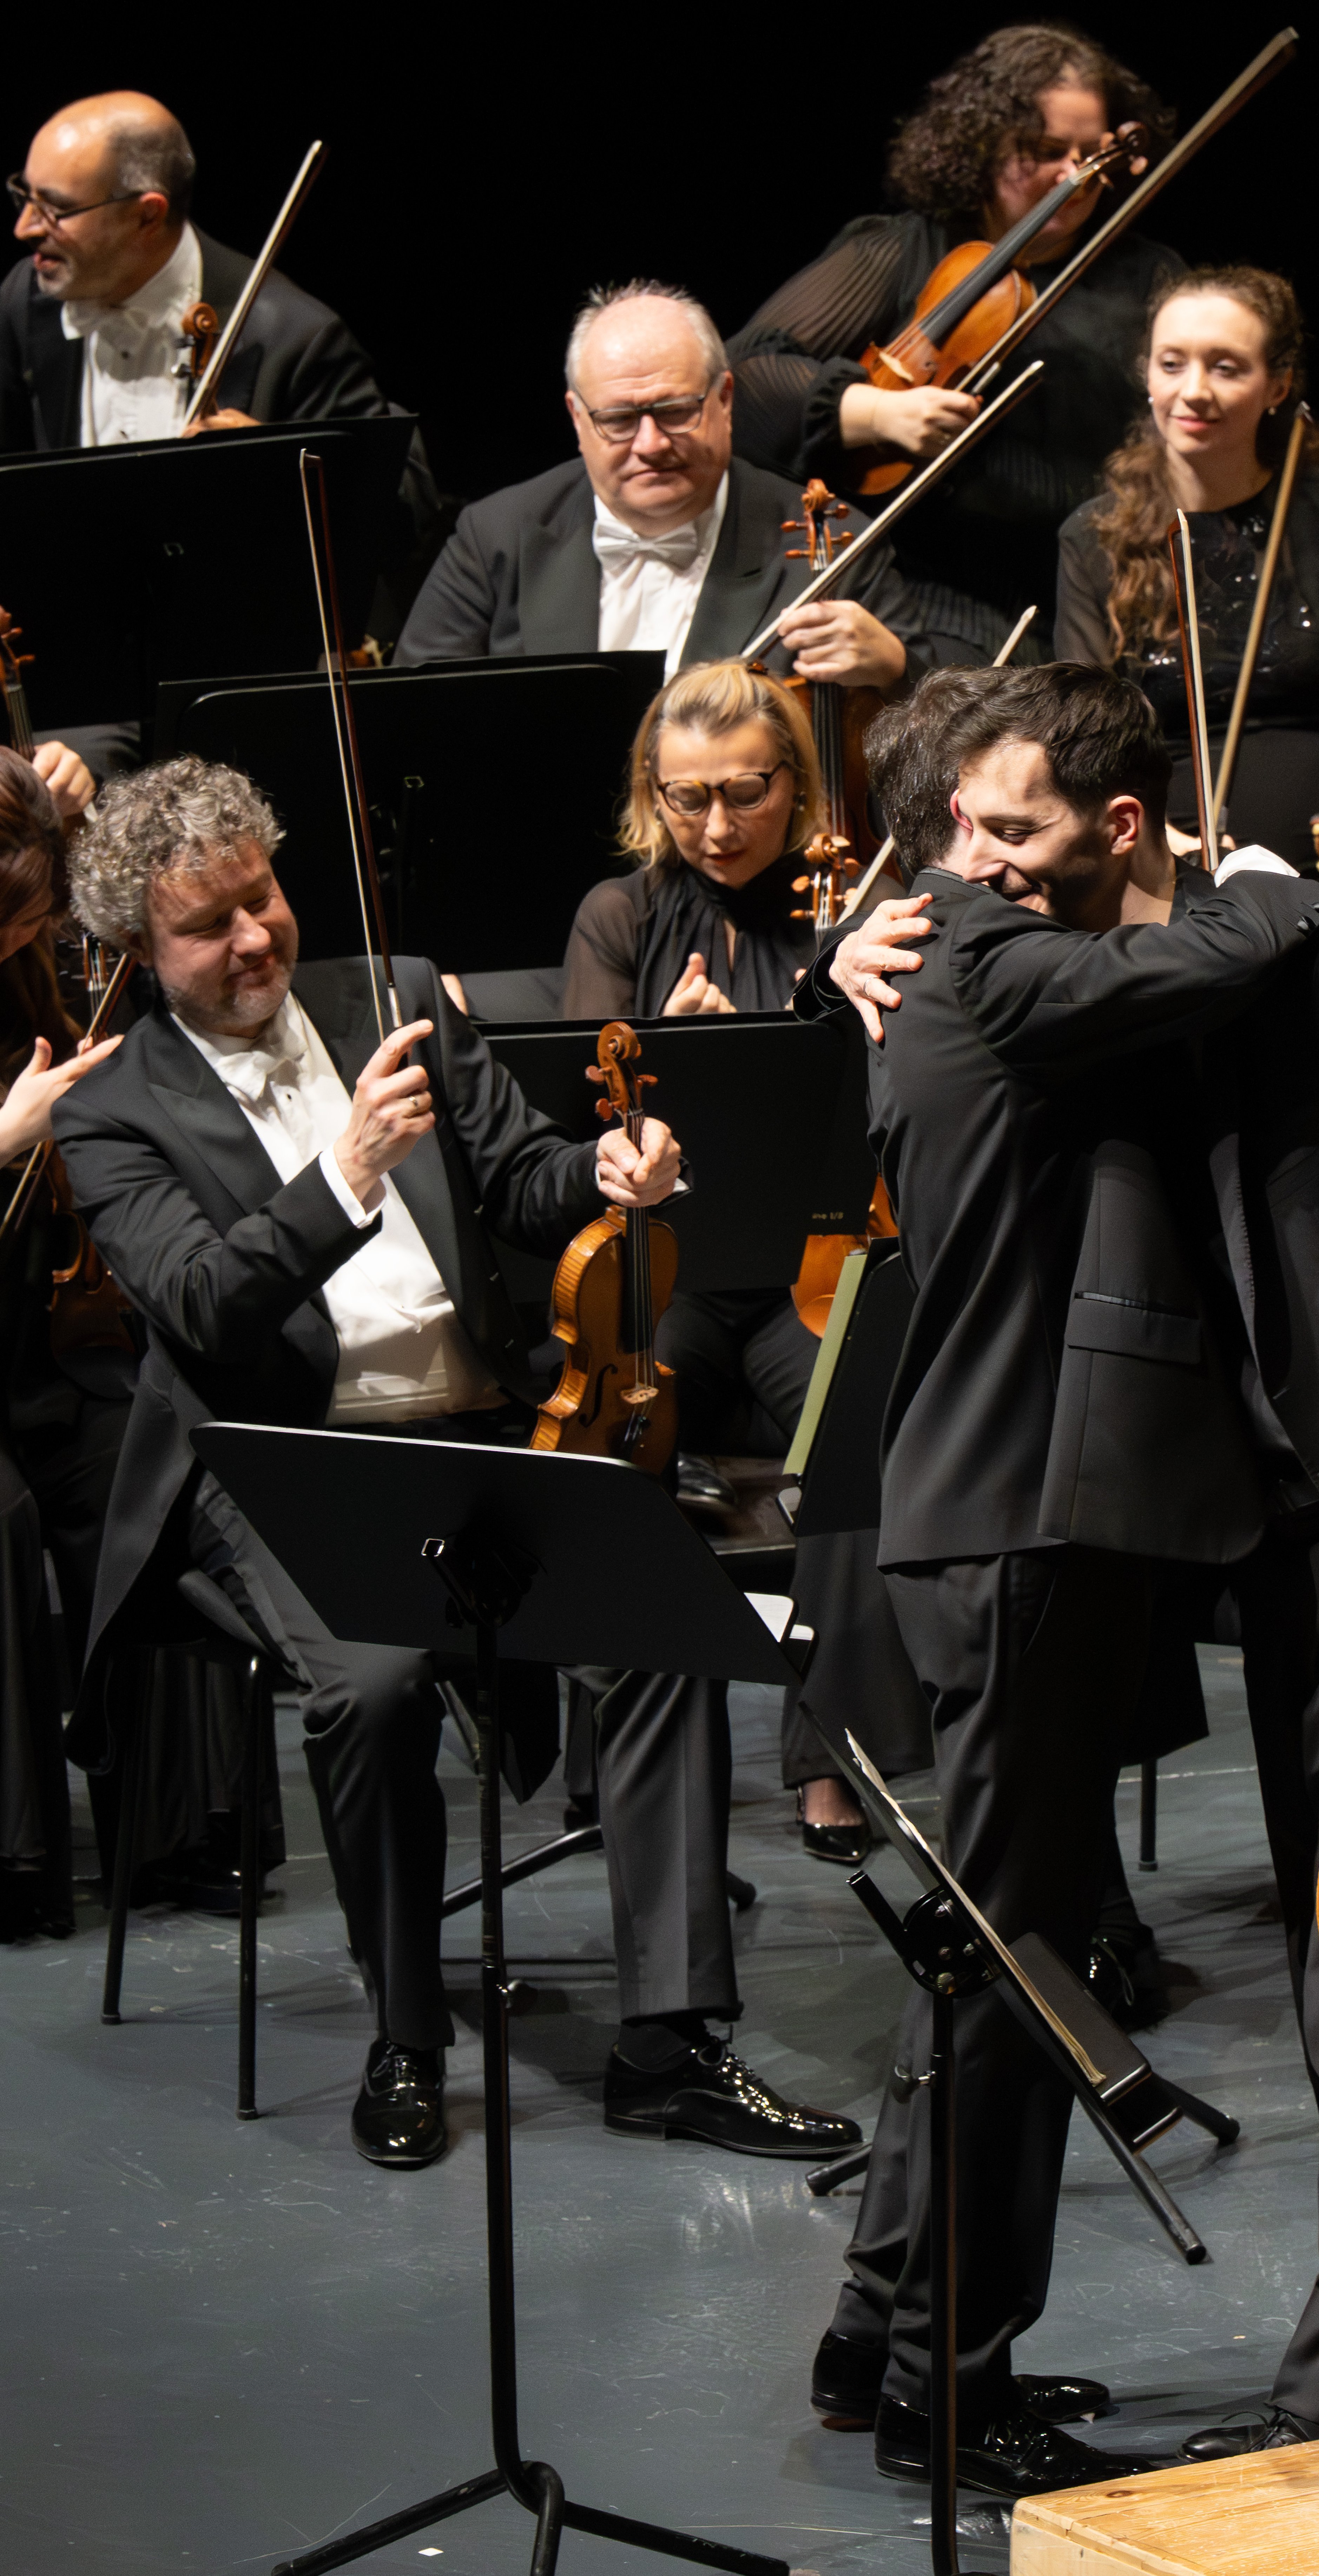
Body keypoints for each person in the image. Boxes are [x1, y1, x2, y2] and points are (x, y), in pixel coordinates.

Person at [796, 664, 1319, 2493]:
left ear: (1120, 823)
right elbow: (920, 963)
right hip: (1102, 1488)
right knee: (1007, 1938)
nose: (969, 861)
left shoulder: (1256, 942)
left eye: (1008, 828)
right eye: (965, 834)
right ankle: (905, 2337)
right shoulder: (1009, 948)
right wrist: (828, 948)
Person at [49, 755, 857, 2172]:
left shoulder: (396, 991)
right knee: (373, 1686)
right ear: (137, 947)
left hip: (482, 1423)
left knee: (658, 1618)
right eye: (206, 924)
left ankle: (667, 2041)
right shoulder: (109, 1109)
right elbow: (200, 1308)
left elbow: (523, 1176)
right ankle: (406, 2036)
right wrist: (345, 1177)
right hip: (288, 1458)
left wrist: (607, 1169)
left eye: (262, 897)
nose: (252, 938)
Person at [558, 658, 931, 1946]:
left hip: (791, 1277)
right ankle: (623, 1760)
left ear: (797, 782)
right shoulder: (619, 916)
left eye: (746, 793)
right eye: (687, 798)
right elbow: (575, 1130)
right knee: (611, 1436)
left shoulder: (850, 910)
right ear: (649, 796)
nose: (716, 827)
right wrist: (662, 1061)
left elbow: (886, 1112)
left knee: (862, 1431)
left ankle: (829, 1745)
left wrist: (826, 1019)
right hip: (667, 1274)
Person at [1053, 263, 1319, 996]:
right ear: (1145, 377)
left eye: (1226, 368)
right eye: (1172, 364)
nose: (1194, 391)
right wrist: (1161, 845)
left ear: (1276, 386)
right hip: (1171, 870)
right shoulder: (1091, 537)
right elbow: (1082, 735)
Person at [728, 24, 1182, 662]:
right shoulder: (908, 250)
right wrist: (878, 412)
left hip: (1103, 598)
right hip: (933, 601)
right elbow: (740, 378)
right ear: (983, 146)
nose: (1073, 176)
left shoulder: (1149, 280)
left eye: (1089, 153)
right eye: (1045, 150)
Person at [397, 283, 926, 691]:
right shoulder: (495, 536)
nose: (650, 444)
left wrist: (896, 670)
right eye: (620, 419)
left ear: (723, 400)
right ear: (577, 418)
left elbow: (943, 730)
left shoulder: (834, 542)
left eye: (675, 411)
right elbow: (411, 719)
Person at [0, 745, 126, 1939]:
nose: (14, 942)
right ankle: (12, 1852)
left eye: (32, 919)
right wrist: (2, 1137)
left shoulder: (24, 969)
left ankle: (175, 1824)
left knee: (133, 1453)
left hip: (25, 1326)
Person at [0, 93, 407, 450]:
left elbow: (394, 506)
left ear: (147, 217)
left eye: (56, 209)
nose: (24, 228)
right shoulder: (25, 299)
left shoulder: (298, 341)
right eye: (25, 196)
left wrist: (277, 470)